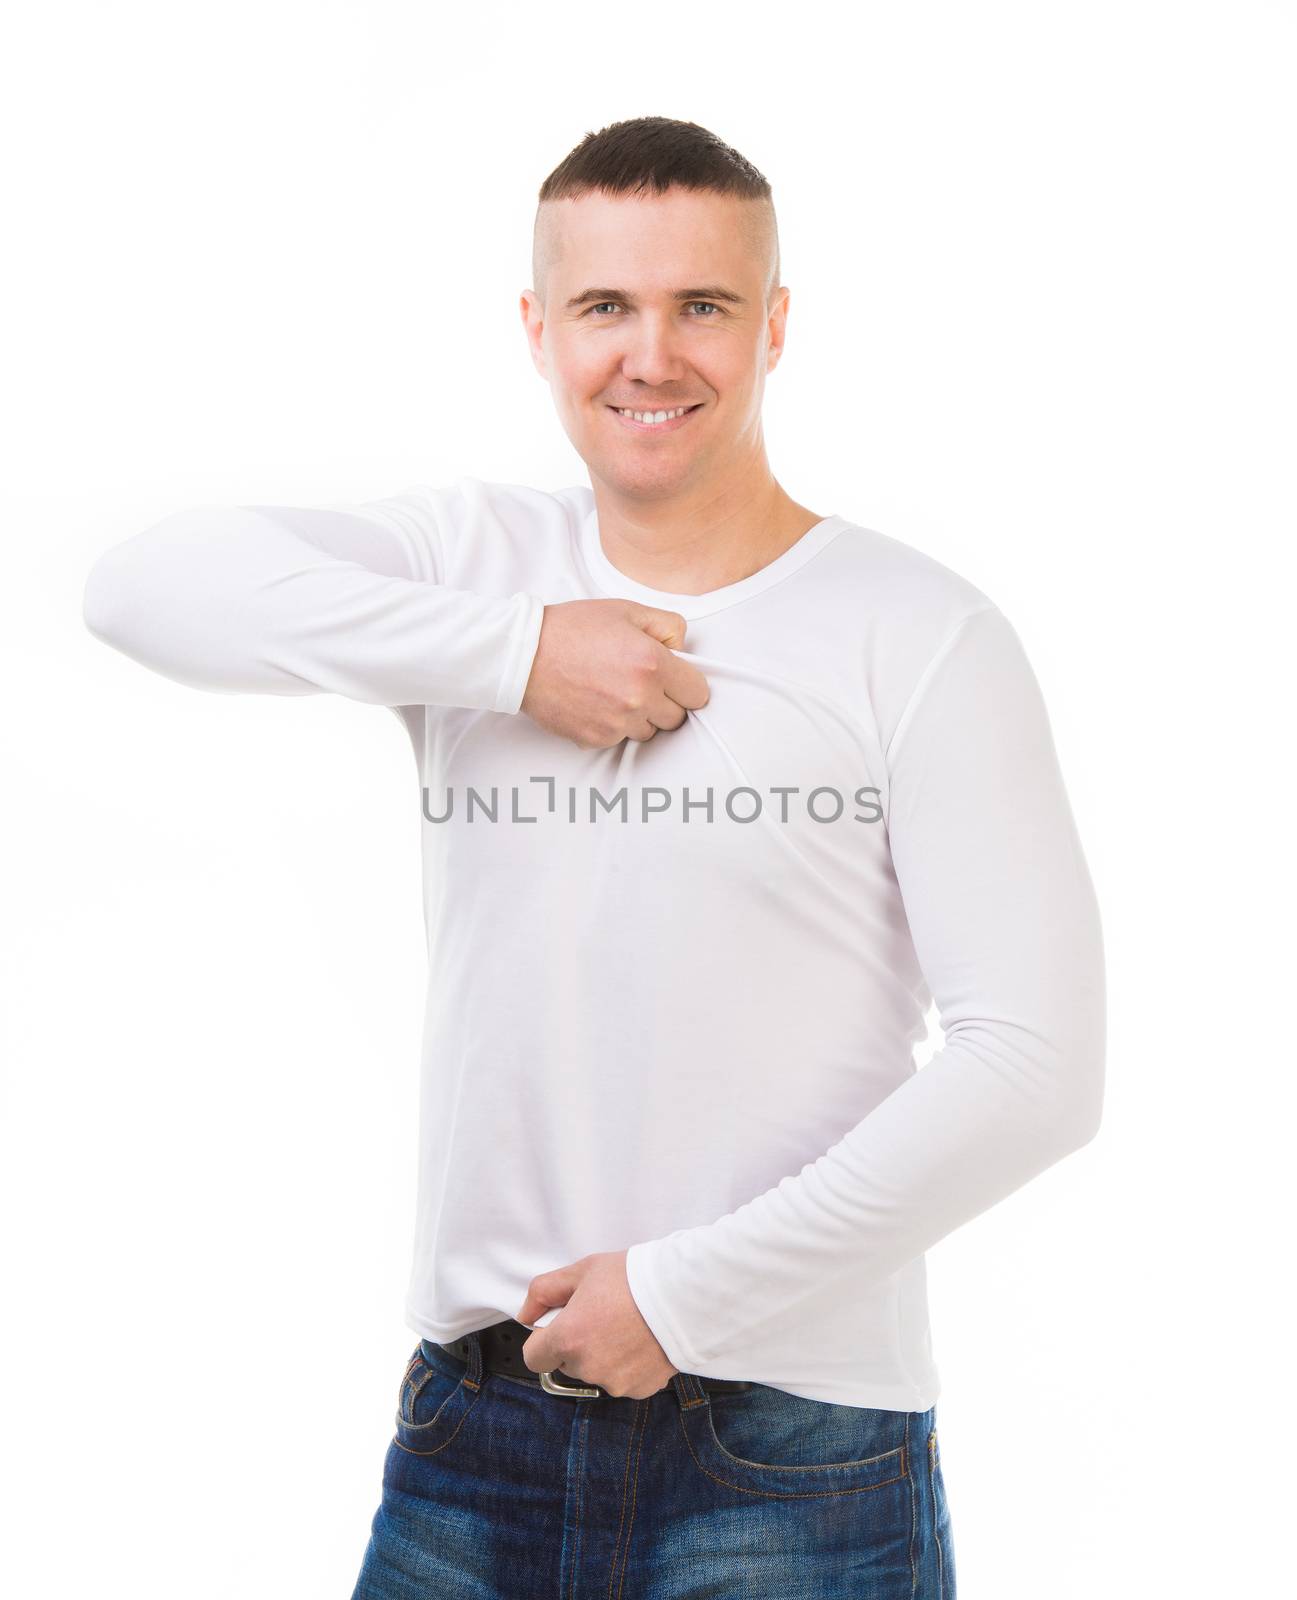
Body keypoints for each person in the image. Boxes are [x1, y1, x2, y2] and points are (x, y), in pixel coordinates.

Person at [81, 114, 1105, 1599]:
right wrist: (514, 654)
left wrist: (685, 1296)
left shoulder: (919, 632)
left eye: (702, 305)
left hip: (796, 1449)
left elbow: (1035, 1065)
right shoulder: (467, 563)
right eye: (603, 307)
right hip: (471, 1423)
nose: (651, 355)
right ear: (536, 327)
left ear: (775, 326)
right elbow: (139, 589)